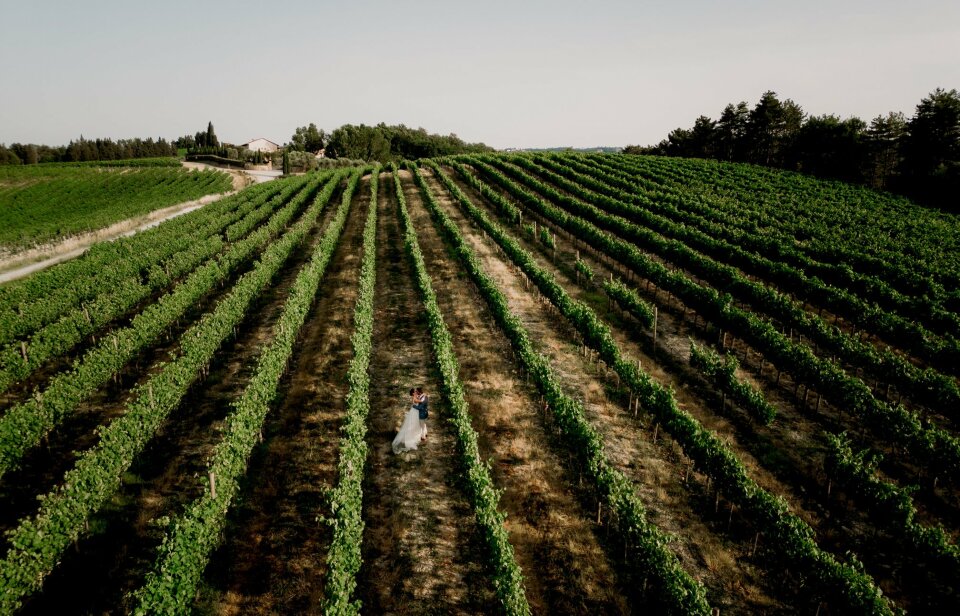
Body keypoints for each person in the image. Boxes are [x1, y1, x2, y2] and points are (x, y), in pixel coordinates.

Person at [392, 388, 426, 454]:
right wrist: (424, 396)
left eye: (416, 391)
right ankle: (412, 437)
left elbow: (420, 397)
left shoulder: (416, 396)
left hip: (416, 412)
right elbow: (421, 401)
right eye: (415, 391)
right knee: (413, 424)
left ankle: (420, 434)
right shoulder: (414, 398)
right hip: (415, 412)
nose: (416, 392)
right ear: (413, 393)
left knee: (416, 424)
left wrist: (422, 395)